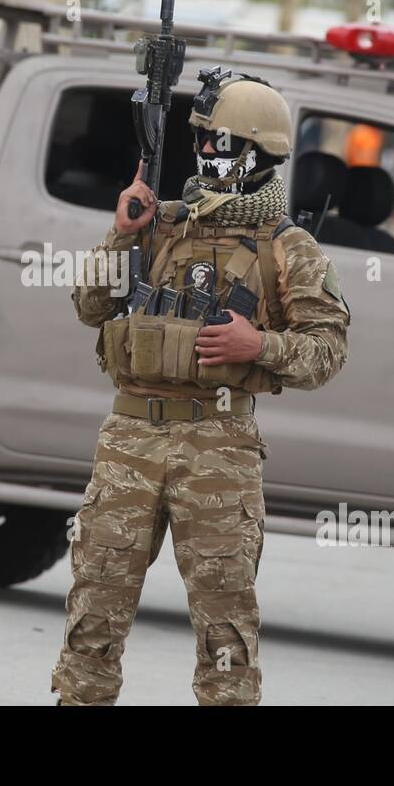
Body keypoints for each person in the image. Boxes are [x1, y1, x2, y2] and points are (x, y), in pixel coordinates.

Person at [51, 70, 351, 705]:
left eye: (221, 144)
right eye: (202, 143)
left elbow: (327, 352)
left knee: (225, 627)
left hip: (218, 445)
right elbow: (88, 306)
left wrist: (258, 346)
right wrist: (122, 233)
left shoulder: (287, 247)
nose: (207, 156)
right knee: (93, 615)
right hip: (129, 438)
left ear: (258, 154)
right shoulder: (161, 224)